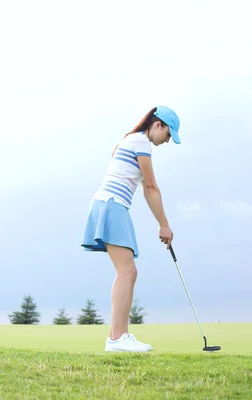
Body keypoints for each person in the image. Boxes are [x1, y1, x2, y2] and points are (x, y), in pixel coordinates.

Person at [81, 106, 181, 352]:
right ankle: (117, 338)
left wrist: (161, 223)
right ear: (158, 125)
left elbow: (147, 192)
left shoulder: (132, 140)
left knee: (128, 271)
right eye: (168, 135)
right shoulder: (140, 142)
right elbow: (151, 188)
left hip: (111, 205)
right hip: (112, 205)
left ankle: (118, 336)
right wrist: (165, 225)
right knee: (127, 271)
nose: (167, 141)